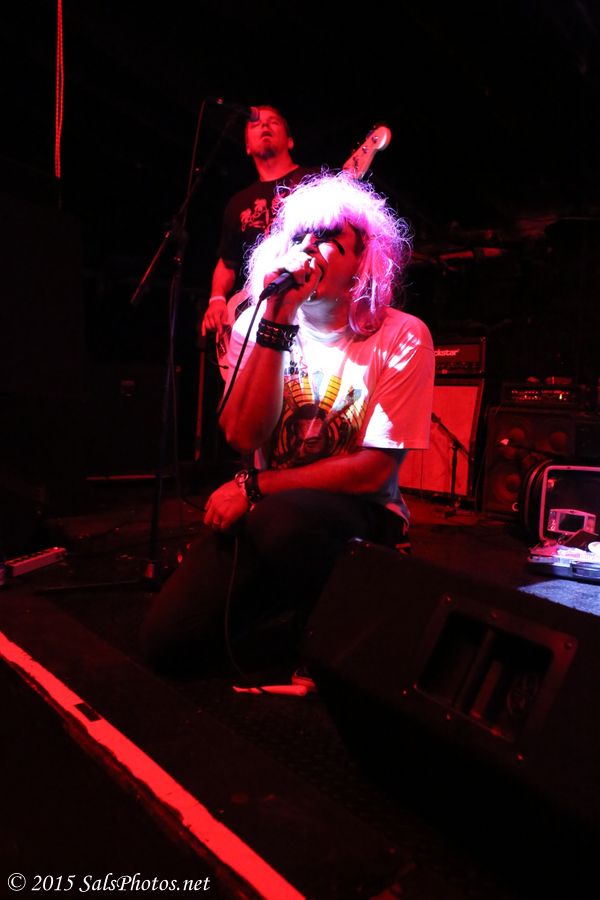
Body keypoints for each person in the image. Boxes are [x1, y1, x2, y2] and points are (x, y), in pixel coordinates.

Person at [143, 172, 435, 673]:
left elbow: (373, 472)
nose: (308, 248)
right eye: (300, 235)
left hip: (360, 512)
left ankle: (345, 613)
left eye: (328, 239)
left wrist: (255, 486)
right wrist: (277, 320)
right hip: (271, 512)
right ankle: (288, 596)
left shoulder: (401, 335)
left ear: (362, 263)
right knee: (166, 641)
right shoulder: (256, 321)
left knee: (280, 522)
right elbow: (242, 434)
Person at [201, 105, 316, 363]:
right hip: (255, 318)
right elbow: (227, 262)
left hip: (308, 311)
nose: (264, 125)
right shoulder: (238, 203)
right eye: (255, 124)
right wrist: (217, 299)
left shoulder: (313, 180)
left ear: (290, 140)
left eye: (273, 121)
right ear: (247, 147)